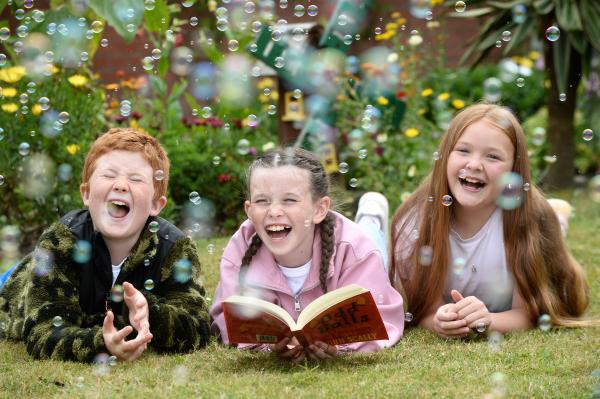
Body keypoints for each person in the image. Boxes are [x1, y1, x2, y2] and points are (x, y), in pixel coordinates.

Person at [0, 128, 211, 361]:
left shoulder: (174, 248)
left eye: (135, 178)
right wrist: (102, 343)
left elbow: (199, 327)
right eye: (109, 175)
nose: (120, 185)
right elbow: (42, 332)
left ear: (156, 205)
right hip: (15, 287)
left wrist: (152, 313)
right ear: (86, 194)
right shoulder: (61, 242)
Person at [389, 103, 593, 338]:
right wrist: (438, 320)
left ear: (513, 171)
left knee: (551, 225)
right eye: (463, 150)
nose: (474, 164)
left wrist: (489, 320)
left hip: (538, 221)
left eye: (493, 156)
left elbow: (527, 313)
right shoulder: (417, 223)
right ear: (444, 157)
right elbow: (422, 309)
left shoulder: (528, 219)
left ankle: (559, 216)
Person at [210, 147, 404, 361]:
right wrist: (266, 347)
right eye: (262, 201)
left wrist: (341, 347)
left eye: (289, 200)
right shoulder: (240, 248)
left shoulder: (356, 250)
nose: (274, 211)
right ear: (248, 210)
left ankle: (371, 215)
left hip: (362, 245)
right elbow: (225, 318)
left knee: (372, 239)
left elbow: (383, 318)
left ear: (320, 209)